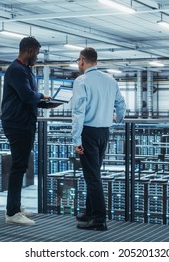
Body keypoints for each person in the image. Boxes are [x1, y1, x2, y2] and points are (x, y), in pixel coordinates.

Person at [0, 36, 59, 225]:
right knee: (18, 166)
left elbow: (28, 98)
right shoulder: (16, 70)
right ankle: (12, 213)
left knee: (21, 165)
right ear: (30, 51)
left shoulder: (26, 70)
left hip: (24, 122)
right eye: (37, 53)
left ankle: (15, 207)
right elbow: (26, 96)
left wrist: (46, 103)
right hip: (17, 124)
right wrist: (42, 95)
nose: (38, 57)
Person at [71, 47, 126, 231]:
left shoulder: (81, 81)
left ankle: (99, 219)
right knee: (92, 174)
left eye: (79, 60)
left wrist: (76, 140)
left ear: (82, 60)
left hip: (88, 133)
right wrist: (118, 118)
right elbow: (121, 103)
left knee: (93, 177)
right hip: (104, 133)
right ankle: (89, 212)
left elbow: (78, 112)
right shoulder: (110, 80)